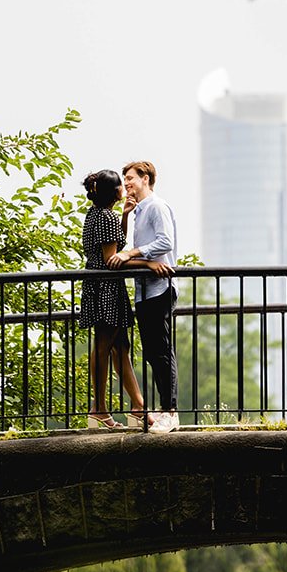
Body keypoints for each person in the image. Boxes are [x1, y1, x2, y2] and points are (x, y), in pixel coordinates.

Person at [110, 159, 178, 432]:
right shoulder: (138, 211)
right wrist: (126, 214)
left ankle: (170, 411)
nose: (126, 183)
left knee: (161, 351)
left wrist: (132, 254)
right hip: (145, 289)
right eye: (125, 179)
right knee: (152, 351)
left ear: (146, 179)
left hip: (159, 287)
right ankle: (165, 409)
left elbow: (165, 242)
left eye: (131, 178)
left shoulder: (157, 207)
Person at [79, 169, 147, 429]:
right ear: (114, 191)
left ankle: (139, 406)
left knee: (121, 348)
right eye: (121, 185)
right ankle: (99, 409)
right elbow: (112, 259)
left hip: (99, 286)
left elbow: (112, 247)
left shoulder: (97, 214)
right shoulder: (106, 217)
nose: (125, 188)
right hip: (107, 287)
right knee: (105, 346)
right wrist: (145, 263)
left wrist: (126, 216)